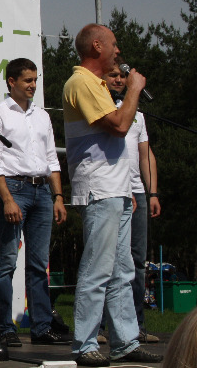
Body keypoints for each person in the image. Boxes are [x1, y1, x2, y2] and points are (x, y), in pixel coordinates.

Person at [63, 23, 162, 366]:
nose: (119, 51)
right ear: (96, 46)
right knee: (98, 269)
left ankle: (125, 341)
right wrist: (133, 89)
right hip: (99, 188)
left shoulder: (99, 84)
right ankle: (85, 343)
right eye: (114, 45)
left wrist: (128, 190)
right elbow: (119, 126)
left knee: (122, 272)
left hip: (117, 189)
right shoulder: (81, 82)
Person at [0, 58, 68, 348]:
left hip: (42, 190)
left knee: (38, 264)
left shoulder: (42, 115)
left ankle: (41, 327)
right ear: (12, 82)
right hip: (14, 188)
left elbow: (51, 159)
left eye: (35, 80)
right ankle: (5, 328)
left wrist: (58, 196)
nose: (33, 85)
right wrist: (7, 198)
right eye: (27, 80)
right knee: (7, 260)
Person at [97, 56, 161, 344]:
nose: (119, 80)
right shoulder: (102, 106)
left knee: (137, 262)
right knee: (107, 261)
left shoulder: (137, 113)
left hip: (137, 192)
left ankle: (136, 326)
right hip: (112, 189)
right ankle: (100, 327)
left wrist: (152, 192)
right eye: (113, 75)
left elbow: (146, 154)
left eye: (122, 76)